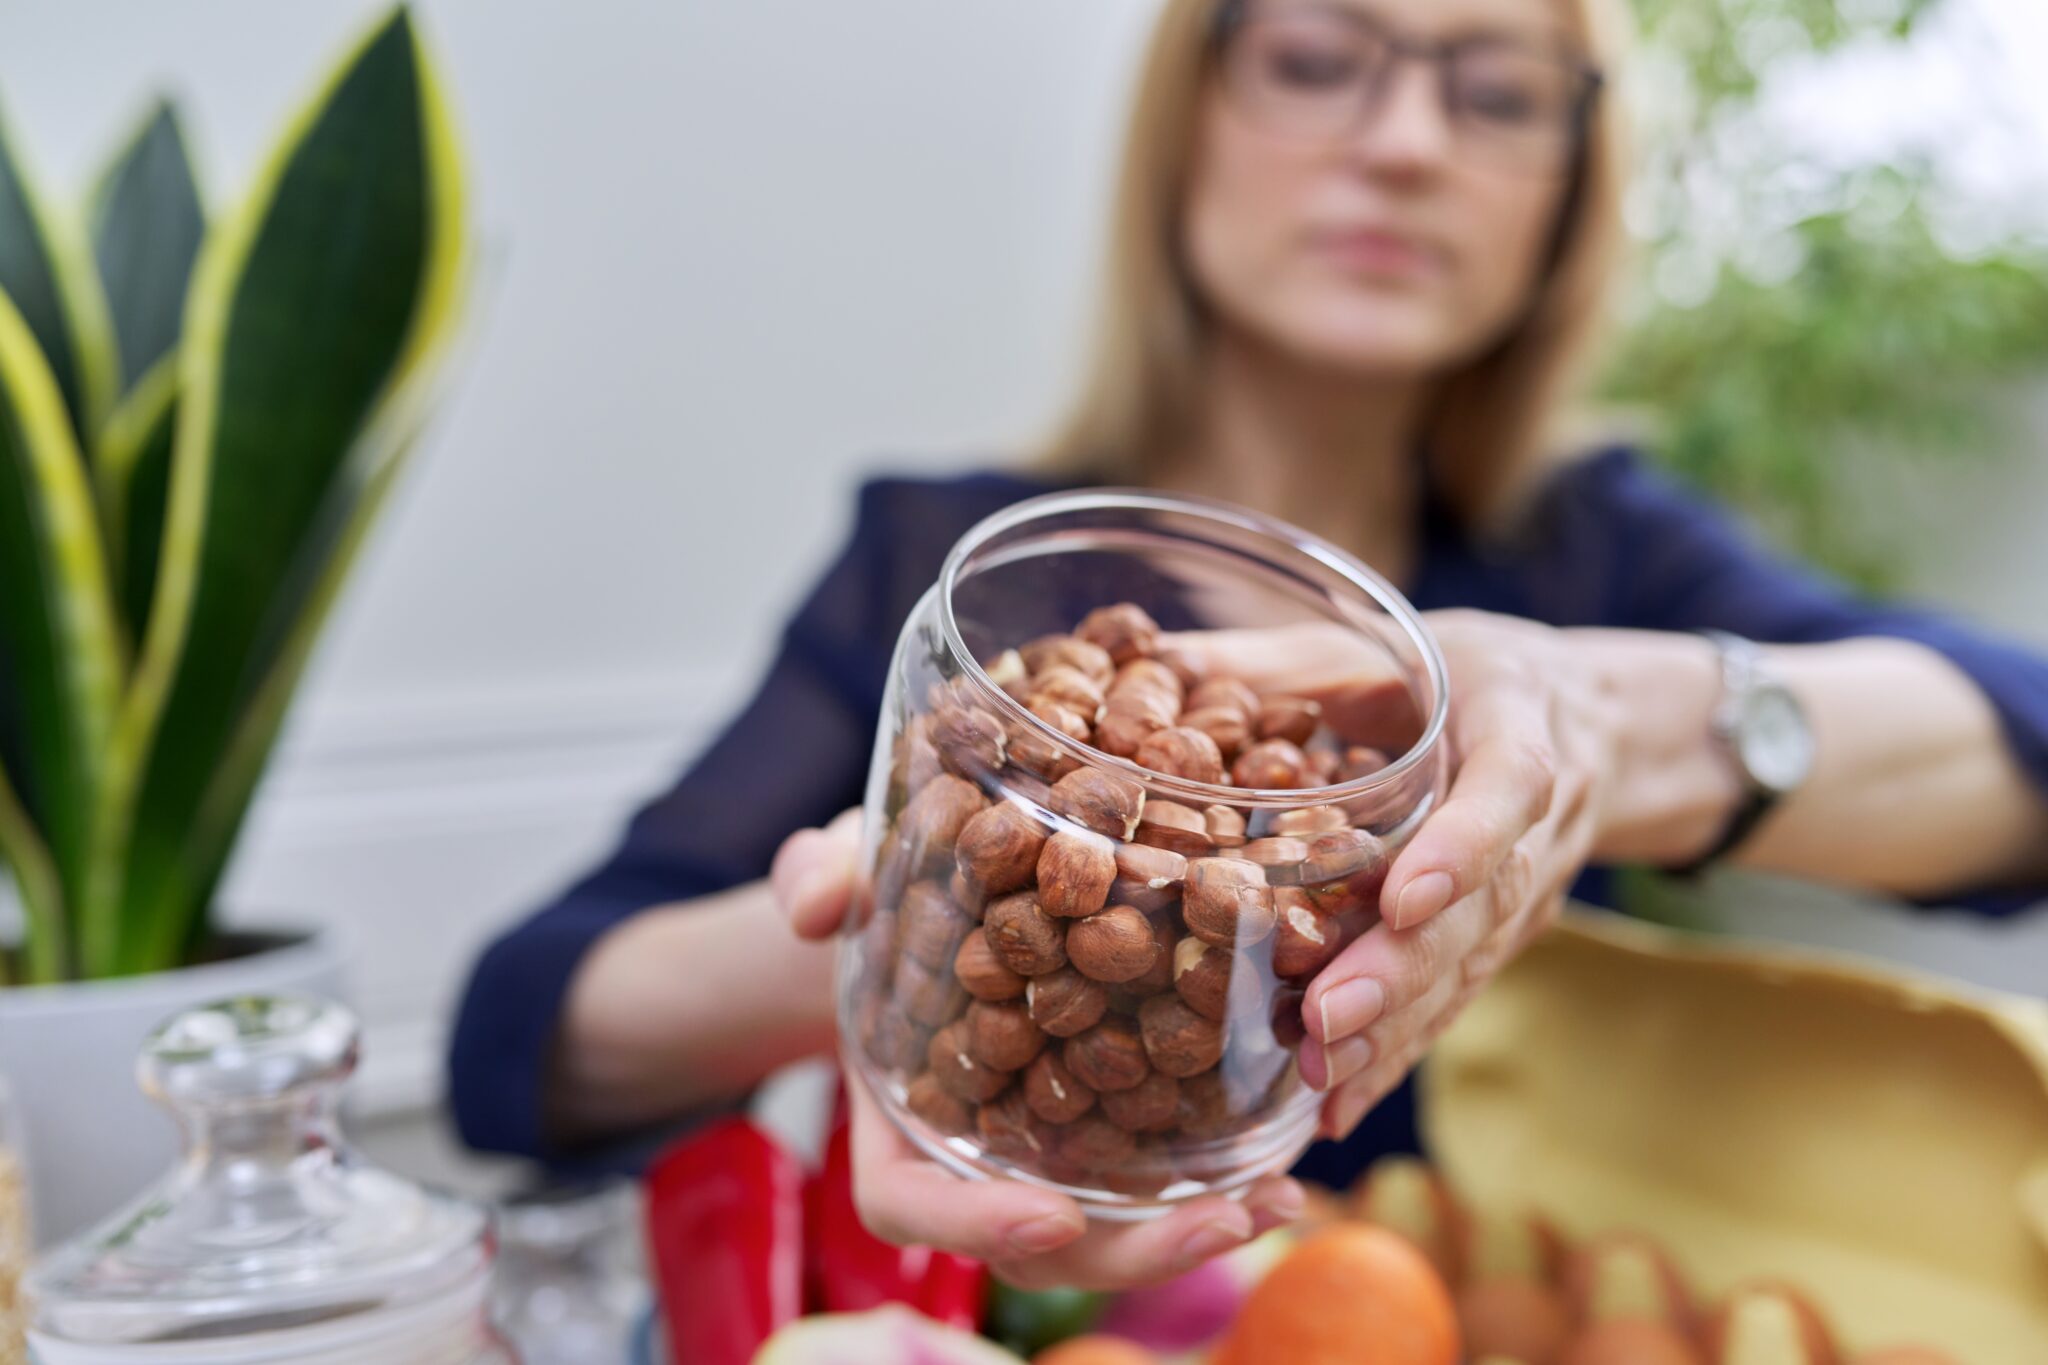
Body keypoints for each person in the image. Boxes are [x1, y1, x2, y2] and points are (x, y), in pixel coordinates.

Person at [450, 0, 2048, 1290]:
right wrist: (895, 931)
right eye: (1314, 56)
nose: (1404, 141)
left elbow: (2020, 744)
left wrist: (1610, 721)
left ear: (1567, 193)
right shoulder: (950, 573)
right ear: (1188, 117)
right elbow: (521, 1028)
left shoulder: (1591, 548)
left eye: (1493, 92)